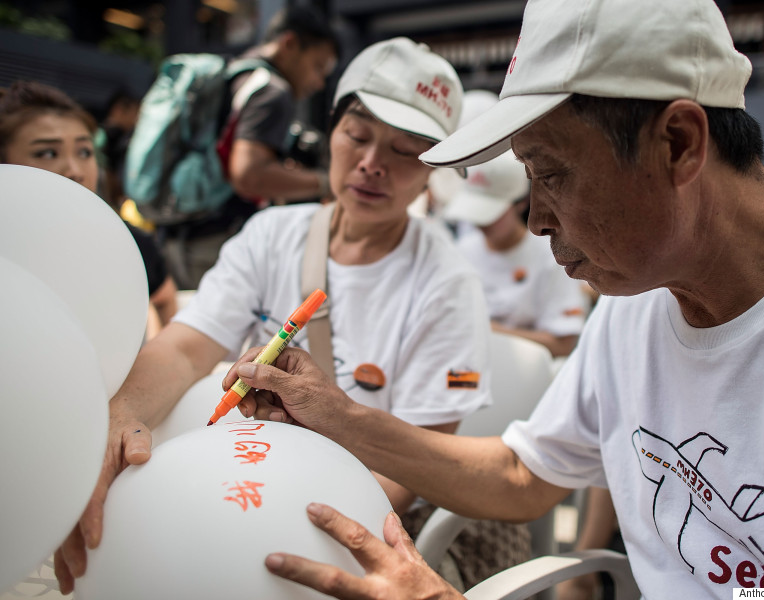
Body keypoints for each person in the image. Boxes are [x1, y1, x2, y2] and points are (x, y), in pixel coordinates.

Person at [208, 0, 764, 596]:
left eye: (553, 174)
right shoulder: (633, 302)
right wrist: (336, 415)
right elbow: (521, 475)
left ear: (680, 143)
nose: (536, 218)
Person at [55, 37, 536, 595]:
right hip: (242, 480)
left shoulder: (447, 285)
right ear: (329, 132)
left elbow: (412, 463)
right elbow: (187, 346)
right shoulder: (271, 234)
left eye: (405, 150)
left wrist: (282, 514)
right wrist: (121, 416)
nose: (372, 164)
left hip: (359, 506)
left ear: (434, 168)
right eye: (357, 136)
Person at [151, 4, 340, 289]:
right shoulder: (273, 92)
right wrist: (326, 182)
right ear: (289, 44)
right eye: (318, 67)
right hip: (214, 244)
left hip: (176, 235)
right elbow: (248, 175)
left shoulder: (236, 74)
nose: (318, 82)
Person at [0, 79, 178, 339]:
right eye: (48, 153)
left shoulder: (128, 242)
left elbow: (164, 299)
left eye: (84, 152)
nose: (74, 170)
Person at [442, 148, 587, 357]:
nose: (481, 223)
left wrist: (489, 331)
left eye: (491, 214)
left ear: (521, 204)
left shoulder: (551, 257)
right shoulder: (463, 251)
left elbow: (563, 342)